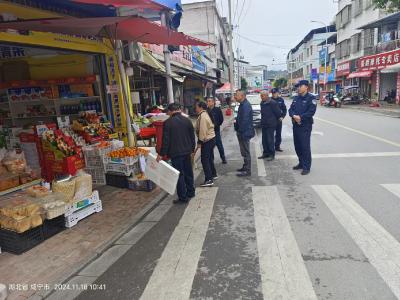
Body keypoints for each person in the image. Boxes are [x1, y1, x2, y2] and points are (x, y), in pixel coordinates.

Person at [157, 103, 196, 204]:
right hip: (187, 151)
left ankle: (183, 197)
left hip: (175, 153)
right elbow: (192, 136)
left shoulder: (168, 123)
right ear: (179, 109)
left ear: (170, 111)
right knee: (188, 172)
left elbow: (166, 141)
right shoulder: (187, 120)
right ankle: (191, 192)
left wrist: (161, 154)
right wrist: (192, 149)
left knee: (179, 175)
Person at [289, 80, 317, 175]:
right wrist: (293, 116)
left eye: (300, 86)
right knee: (297, 146)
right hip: (296, 125)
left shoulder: (311, 98)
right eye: (298, 86)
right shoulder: (296, 98)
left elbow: (311, 112)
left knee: (305, 147)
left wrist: (300, 117)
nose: (298, 88)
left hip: (305, 126)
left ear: (306, 87)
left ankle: (306, 167)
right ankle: (301, 163)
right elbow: (290, 109)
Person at [195, 101, 217, 187]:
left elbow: (203, 131)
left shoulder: (203, 116)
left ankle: (209, 179)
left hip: (207, 140)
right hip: (211, 139)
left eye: (196, 107)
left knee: (205, 160)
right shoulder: (204, 114)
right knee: (209, 158)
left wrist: (199, 142)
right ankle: (213, 174)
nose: (195, 108)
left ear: (200, 107)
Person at [234, 90, 255, 177]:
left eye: (236, 95)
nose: (235, 96)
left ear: (242, 96)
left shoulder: (246, 105)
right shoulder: (242, 104)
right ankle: (245, 166)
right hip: (242, 131)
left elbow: (245, 121)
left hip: (245, 132)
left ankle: (248, 170)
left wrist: (240, 131)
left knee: (246, 151)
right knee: (244, 151)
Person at [258, 90, 281, 161]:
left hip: (271, 124)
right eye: (260, 96)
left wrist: (273, 121)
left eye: (262, 96)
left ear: (267, 95)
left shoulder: (273, 103)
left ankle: (271, 154)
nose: (261, 97)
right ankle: (265, 153)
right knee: (264, 140)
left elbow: (278, 113)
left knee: (270, 140)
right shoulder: (262, 103)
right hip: (264, 124)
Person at [207, 97, 227, 164]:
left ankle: (223, 157)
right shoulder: (206, 111)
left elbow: (221, 119)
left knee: (219, 145)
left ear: (213, 102)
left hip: (216, 130)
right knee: (210, 147)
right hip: (209, 132)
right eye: (208, 101)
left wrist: (216, 125)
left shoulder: (217, 110)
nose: (208, 102)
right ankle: (211, 160)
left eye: (210, 101)